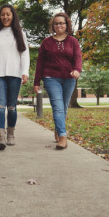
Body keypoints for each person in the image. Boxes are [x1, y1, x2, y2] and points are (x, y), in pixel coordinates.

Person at [0, 4, 30, 150]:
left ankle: (10, 134)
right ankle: (1, 137)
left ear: (13, 15)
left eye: (8, 14)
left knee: (12, 107)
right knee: (0, 107)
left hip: (15, 75)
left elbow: (25, 53)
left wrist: (25, 72)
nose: (5, 17)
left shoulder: (20, 34)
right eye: (2, 14)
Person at [33, 13, 82, 150]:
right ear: (53, 26)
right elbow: (40, 63)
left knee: (64, 107)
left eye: (62, 23)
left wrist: (77, 70)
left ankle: (58, 128)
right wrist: (36, 82)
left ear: (67, 25)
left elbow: (78, 58)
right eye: (56, 23)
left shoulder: (73, 41)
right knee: (58, 107)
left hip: (69, 78)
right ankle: (63, 136)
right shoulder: (46, 43)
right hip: (50, 77)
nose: (59, 25)